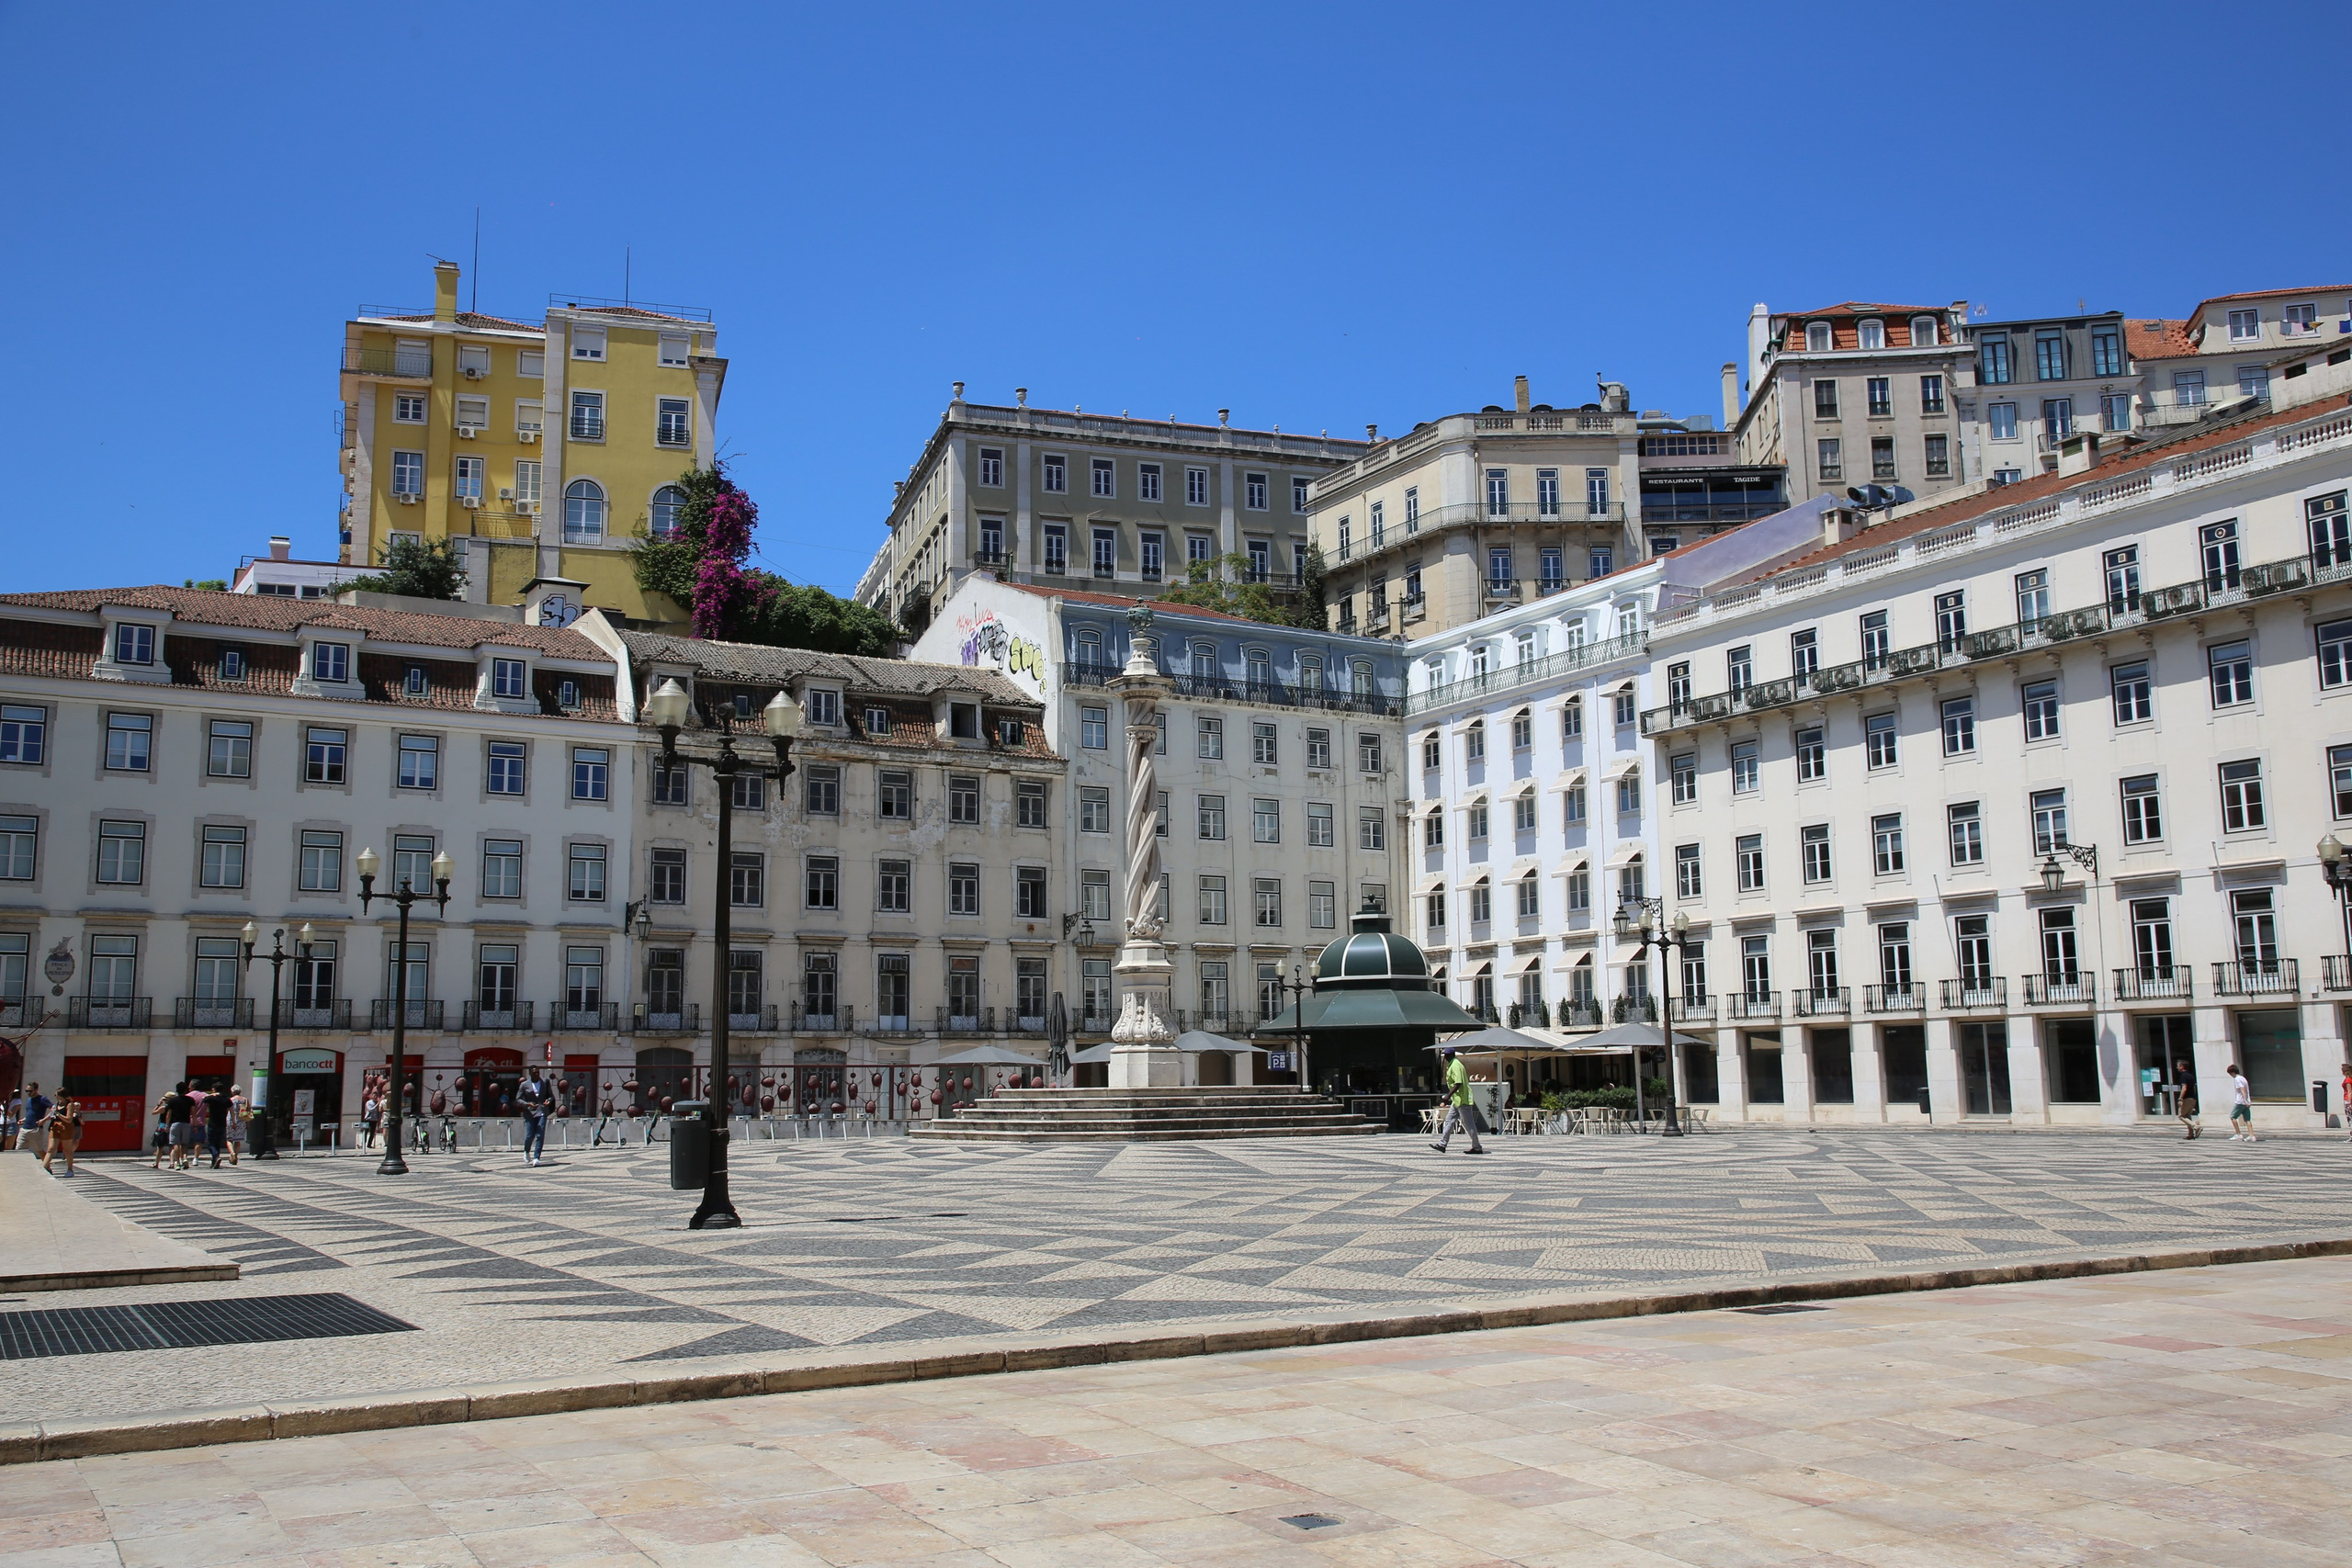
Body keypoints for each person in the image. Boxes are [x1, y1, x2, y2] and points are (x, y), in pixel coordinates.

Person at [1430, 1047, 1487, 1156]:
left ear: (1452, 1055)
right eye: (1445, 1054)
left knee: (1468, 1123)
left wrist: (1447, 1097)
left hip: (1462, 1099)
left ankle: (1477, 1147)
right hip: (1457, 1100)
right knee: (1449, 1120)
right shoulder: (1453, 1064)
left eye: (1447, 1055)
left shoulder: (1455, 1065)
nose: (1445, 1057)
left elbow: (1458, 1083)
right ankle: (1442, 1144)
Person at [515, 1064, 554, 1167]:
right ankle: (526, 1151)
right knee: (529, 1135)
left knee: (540, 1134)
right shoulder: (524, 1085)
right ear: (530, 1074)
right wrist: (527, 1104)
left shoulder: (545, 1082)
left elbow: (551, 1096)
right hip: (530, 1112)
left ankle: (537, 1157)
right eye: (534, 1073)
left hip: (542, 1111)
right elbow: (518, 1099)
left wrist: (548, 1101)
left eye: (538, 1072)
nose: (537, 1074)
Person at [42, 1093, 82, 1175]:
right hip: (55, 1127)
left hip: (66, 1129)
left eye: (56, 1094)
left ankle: (70, 1170)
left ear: (61, 1095)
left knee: (67, 1150)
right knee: (50, 1149)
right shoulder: (56, 1105)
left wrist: (58, 1114)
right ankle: (44, 1168)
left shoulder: (69, 1105)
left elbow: (68, 1119)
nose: (54, 1096)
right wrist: (43, 1120)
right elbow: (51, 1115)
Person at [164, 1080, 198, 1168]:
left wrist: (167, 1125)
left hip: (175, 1123)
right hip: (186, 1123)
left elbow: (168, 1114)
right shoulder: (190, 1100)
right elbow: (193, 1113)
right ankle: (185, 1158)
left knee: (176, 1144)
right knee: (185, 1143)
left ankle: (177, 1162)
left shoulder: (172, 1101)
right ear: (186, 1090)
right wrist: (195, 1125)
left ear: (177, 1090)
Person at [204, 1082, 232, 1168]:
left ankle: (216, 1156)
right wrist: (233, 1121)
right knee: (217, 1143)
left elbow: (203, 1099)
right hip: (222, 1123)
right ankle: (214, 1161)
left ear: (214, 1089)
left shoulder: (212, 1098)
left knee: (210, 1143)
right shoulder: (226, 1099)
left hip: (213, 1122)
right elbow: (231, 1109)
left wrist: (212, 1095)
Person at [2226, 1063, 2256, 1142]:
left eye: (2230, 1074)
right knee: (2247, 1119)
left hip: (2240, 1102)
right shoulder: (2243, 1078)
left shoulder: (2237, 1079)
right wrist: (2247, 1100)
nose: (2230, 1075)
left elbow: (2242, 1089)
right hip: (2246, 1102)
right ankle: (2252, 1135)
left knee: (2233, 1117)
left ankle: (2238, 1134)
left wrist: (2244, 1100)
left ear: (2232, 1072)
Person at [2175, 1062, 2199, 1140]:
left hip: (2186, 1098)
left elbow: (2184, 1088)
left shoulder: (2183, 1076)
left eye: (2178, 1066)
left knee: (2181, 1116)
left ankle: (2196, 1127)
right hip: (2193, 1098)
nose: (2177, 1067)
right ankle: (2190, 1134)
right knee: (2187, 1116)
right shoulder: (2191, 1076)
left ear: (2182, 1066)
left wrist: (2180, 1098)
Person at [225, 1087, 248, 1165]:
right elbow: (249, 1111)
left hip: (231, 1120)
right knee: (238, 1140)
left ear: (232, 1092)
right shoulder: (245, 1100)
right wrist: (247, 1123)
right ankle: (236, 1155)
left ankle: (232, 1154)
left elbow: (227, 1110)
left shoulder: (230, 1100)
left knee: (229, 1139)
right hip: (241, 1121)